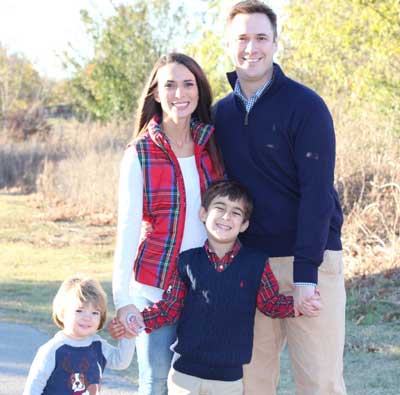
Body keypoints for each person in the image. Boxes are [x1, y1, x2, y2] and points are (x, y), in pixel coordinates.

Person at [212, 1, 346, 395]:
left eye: (260, 38)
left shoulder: (306, 106)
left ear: (275, 43)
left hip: (312, 262)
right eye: (242, 38)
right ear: (228, 44)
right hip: (251, 266)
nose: (251, 48)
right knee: (249, 383)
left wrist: (306, 272)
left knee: (319, 383)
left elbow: (317, 193)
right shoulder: (221, 115)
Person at [110, 181, 321, 395]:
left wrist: (299, 303)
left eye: (236, 212)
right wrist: (135, 322)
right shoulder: (187, 262)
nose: (226, 217)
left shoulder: (256, 263)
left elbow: (270, 304)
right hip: (185, 376)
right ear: (203, 213)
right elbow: (169, 309)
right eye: (220, 208)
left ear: (244, 224)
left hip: (228, 380)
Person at [112, 52, 223, 395]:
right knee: (155, 382)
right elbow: (128, 226)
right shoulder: (140, 152)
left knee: (201, 384)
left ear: (199, 91)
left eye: (188, 84)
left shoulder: (212, 145)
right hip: (155, 287)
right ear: (157, 94)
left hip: (206, 286)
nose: (180, 93)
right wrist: (123, 297)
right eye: (170, 85)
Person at [23, 275, 135, 395]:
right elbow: (34, 386)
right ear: (62, 313)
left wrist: (128, 335)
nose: (87, 317)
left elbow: (121, 362)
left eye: (94, 313)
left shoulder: (98, 346)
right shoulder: (52, 350)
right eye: (79, 310)